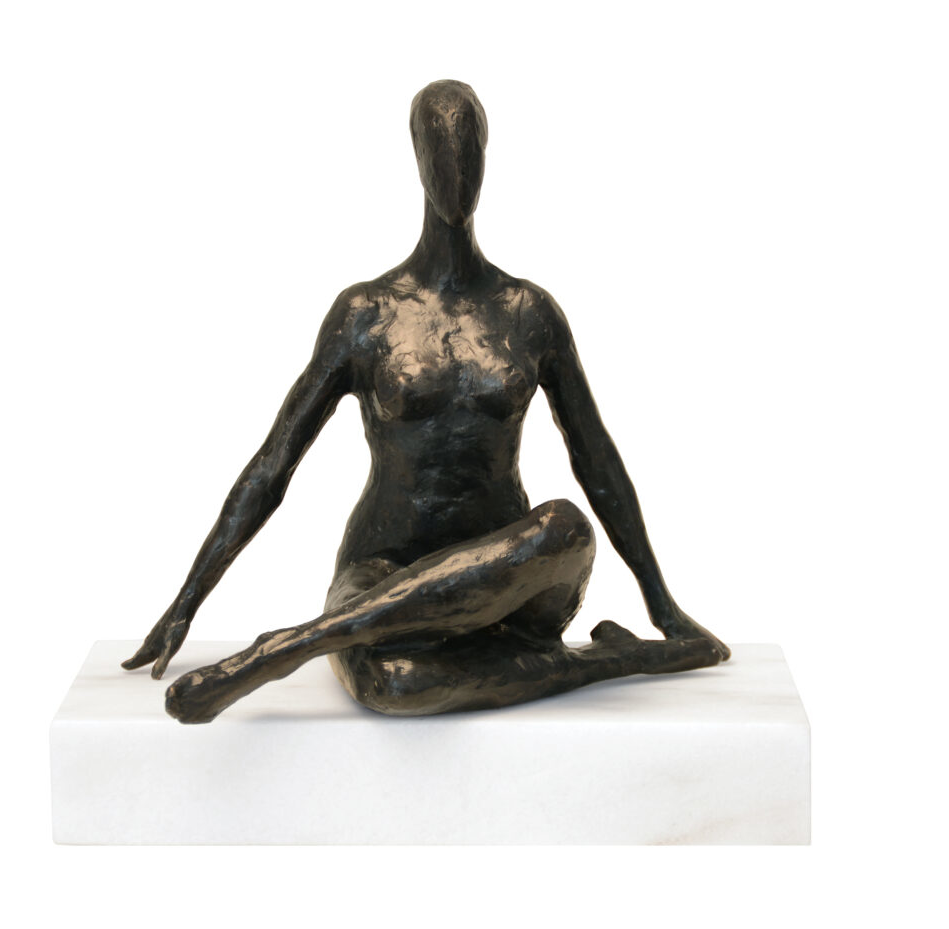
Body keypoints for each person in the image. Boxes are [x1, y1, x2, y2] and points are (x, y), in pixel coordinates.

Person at [122, 80, 730, 723]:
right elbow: (274, 466)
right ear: (416, 157)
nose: (456, 172)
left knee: (565, 527)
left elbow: (597, 460)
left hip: (513, 576)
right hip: (380, 574)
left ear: (488, 158)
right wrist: (187, 601)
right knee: (396, 685)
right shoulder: (365, 313)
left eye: (469, 152)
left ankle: (286, 648)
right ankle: (617, 661)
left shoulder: (529, 311)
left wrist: (662, 604)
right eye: (441, 151)